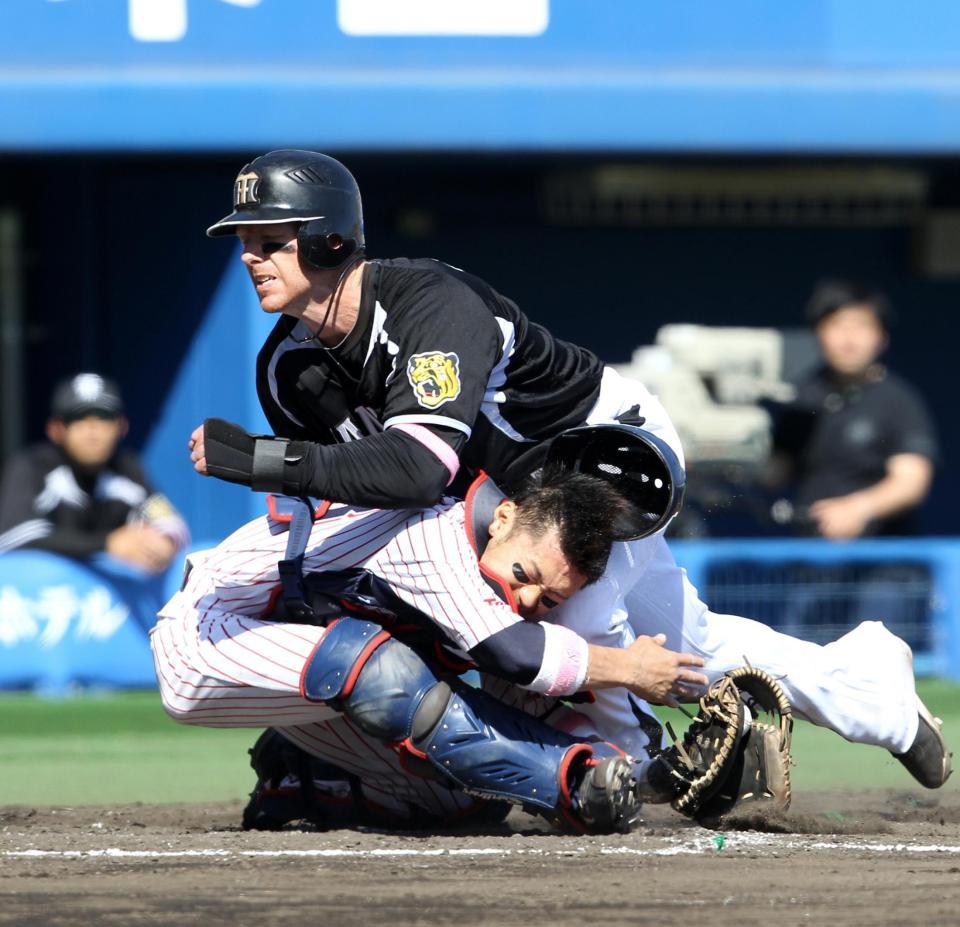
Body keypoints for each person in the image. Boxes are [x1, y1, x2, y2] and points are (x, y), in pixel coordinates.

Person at [191, 150, 949, 803]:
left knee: (574, 617)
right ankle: (877, 696)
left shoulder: (430, 306)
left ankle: (647, 765)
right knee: (692, 638)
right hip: (514, 495)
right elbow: (363, 489)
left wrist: (261, 458)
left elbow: (419, 468)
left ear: (329, 241)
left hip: (607, 449)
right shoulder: (289, 368)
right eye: (246, 241)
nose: (252, 255)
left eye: (272, 239)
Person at [152, 465, 711, 833]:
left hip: (310, 661)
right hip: (209, 633)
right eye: (526, 574)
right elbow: (517, 655)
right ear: (507, 516)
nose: (528, 597)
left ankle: (303, 776)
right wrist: (632, 671)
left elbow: (524, 695)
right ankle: (572, 782)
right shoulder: (437, 536)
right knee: (385, 672)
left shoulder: (493, 574)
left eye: (549, 599)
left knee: (470, 804)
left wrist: (646, 773)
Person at [768, 280, 938, 539]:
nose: (849, 338)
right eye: (837, 324)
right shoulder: (801, 396)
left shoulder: (899, 401)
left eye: (861, 325)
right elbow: (774, 473)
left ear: (882, 338)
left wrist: (858, 509)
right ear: (819, 333)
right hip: (811, 560)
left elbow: (911, 481)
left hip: (884, 566)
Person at [0, 373, 189, 572]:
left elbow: (172, 524)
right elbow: (15, 535)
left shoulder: (126, 469)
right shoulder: (32, 465)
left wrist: (163, 542)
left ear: (121, 427)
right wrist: (107, 544)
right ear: (56, 429)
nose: (92, 430)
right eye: (78, 418)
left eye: (103, 417)